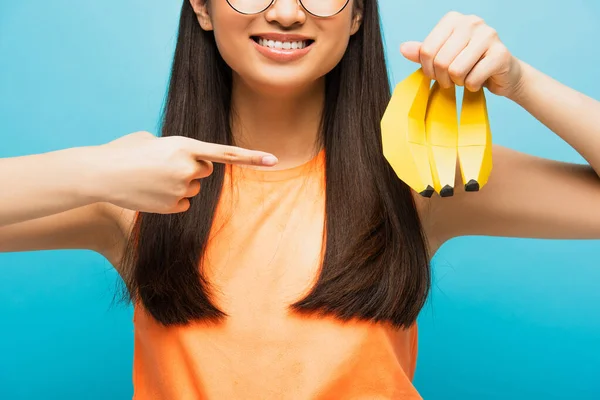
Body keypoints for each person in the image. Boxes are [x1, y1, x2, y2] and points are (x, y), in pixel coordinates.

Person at [1, 0, 599, 398]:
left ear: (359, 14)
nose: (287, 12)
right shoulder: (132, 189)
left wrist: (520, 82)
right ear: (202, 9)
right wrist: (91, 171)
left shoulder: (421, 177)